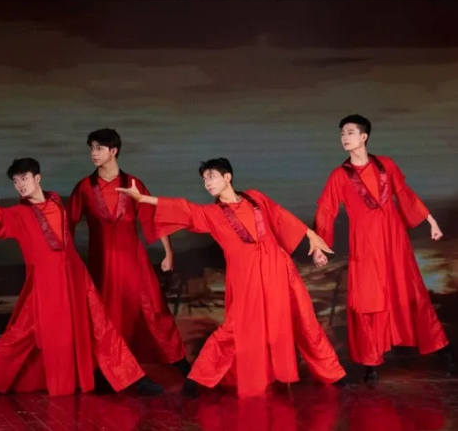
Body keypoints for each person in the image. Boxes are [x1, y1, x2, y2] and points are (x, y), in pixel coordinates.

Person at [0, 158, 163, 397]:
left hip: (76, 279)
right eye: (15, 181)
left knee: (102, 329)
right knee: (20, 334)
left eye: (24, 178)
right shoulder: (19, 213)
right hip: (45, 283)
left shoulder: (55, 201)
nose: (20, 185)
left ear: (37, 178)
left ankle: (134, 380)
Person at [117, 158, 348, 398]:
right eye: (204, 179)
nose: (207, 183)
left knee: (304, 320)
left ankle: (333, 373)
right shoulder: (211, 213)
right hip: (247, 275)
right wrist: (143, 199)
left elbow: (280, 216)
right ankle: (199, 378)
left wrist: (312, 237)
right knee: (234, 328)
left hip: (279, 269)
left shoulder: (255, 198)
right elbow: (184, 208)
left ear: (227, 177)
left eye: (211, 177)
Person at [312, 114, 455, 382]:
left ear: (364, 136)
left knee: (409, 291)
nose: (345, 138)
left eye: (350, 132)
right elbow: (326, 210)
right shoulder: (339, 175)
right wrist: (319, 244)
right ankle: (370, 362)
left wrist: (430, 220)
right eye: (342, 133)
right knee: (367, 298)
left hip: (394, 239)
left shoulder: (386, 165)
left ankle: (440, 347)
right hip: (365, 243)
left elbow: (405, 194)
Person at [67, 128, 189, 374]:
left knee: (154, 308)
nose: (94, 153)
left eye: (99, 148)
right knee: (106, 314)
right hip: (102, 262)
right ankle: (107, 369)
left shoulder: (134, 184)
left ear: (114, 151)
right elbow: (66, 224)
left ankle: (178, 360)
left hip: (133, 259)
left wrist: (168, 252)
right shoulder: (84, 187)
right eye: (92, 148)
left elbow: (153, 218)